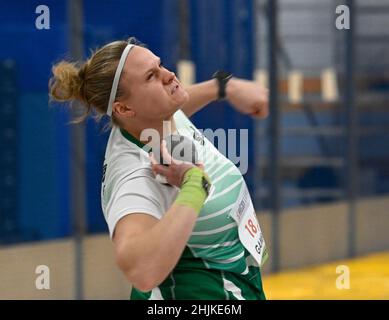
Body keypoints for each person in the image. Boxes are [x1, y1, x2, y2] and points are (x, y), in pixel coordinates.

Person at [49, 37, 269, 300]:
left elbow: (178, 105)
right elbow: (140, 269)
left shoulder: (157, 117)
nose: (169, 75)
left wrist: (223, 87)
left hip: (235, 285)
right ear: (124, 108)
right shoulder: (136, 173)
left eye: (160, 65)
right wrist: (194, 185)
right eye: (152, 76)